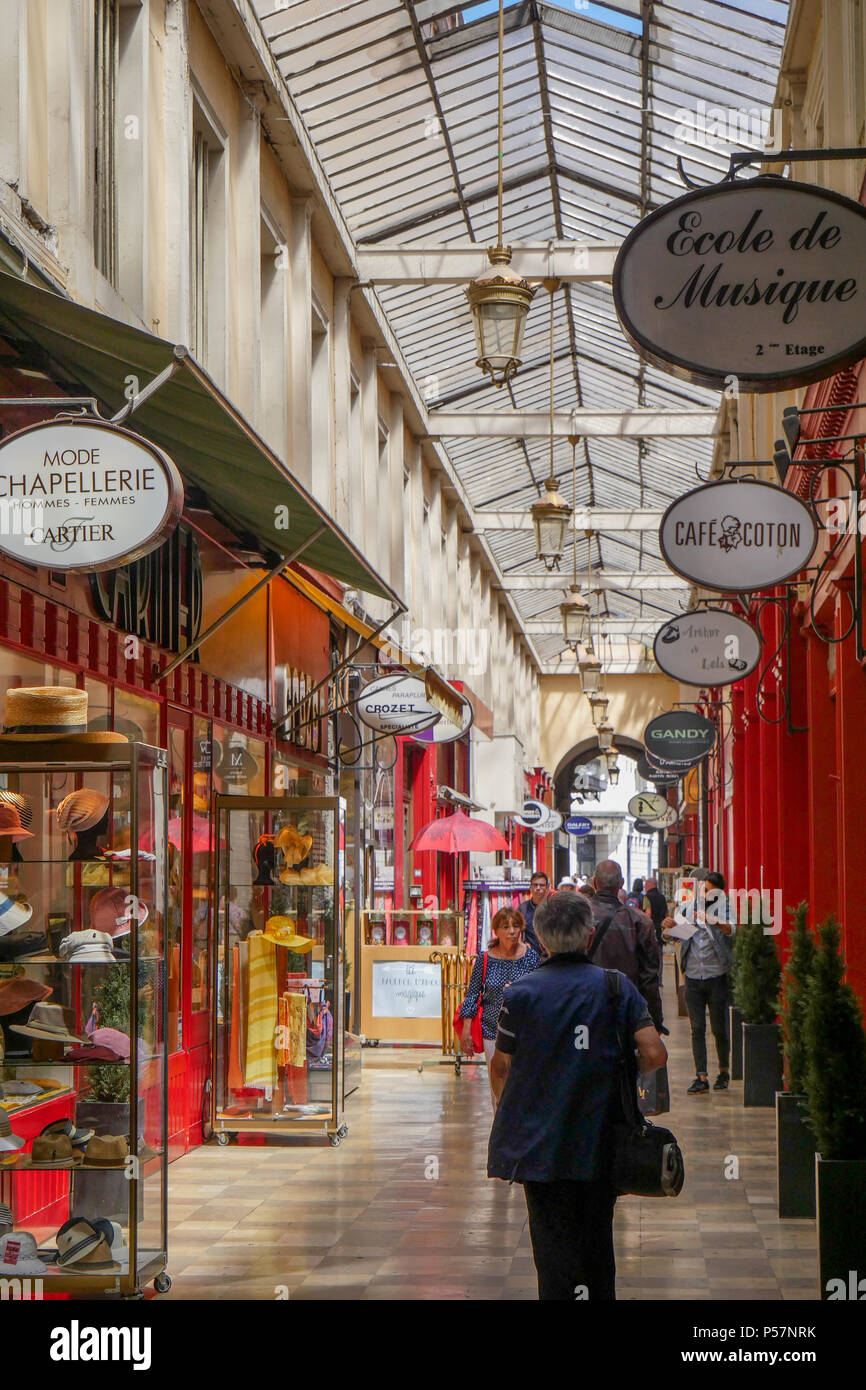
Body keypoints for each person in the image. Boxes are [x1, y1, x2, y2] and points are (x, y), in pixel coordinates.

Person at [487, 890, 667, 1301]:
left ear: (541, 939)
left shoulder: (521, 994)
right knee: (597, 1242)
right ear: (588, 936)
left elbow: (501, 1066)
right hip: (600, 1139)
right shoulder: (616, 988)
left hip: (539, 1144)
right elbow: (655, 1053)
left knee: (551, 1248)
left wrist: (509, 1107)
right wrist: (618, 1075)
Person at [663, 870, 735, 1093]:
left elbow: (732, 930)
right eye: (704, 891)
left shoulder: (725, 909)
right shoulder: (689, 909)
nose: (706, 896)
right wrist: (667, 929)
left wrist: (713, 920)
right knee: (697, 1028)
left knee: (719, 1028)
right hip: (693, 977)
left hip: (717, 977)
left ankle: (723, 1071)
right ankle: (701, 1076)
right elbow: (673, 935)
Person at [458, 908, 539, 1105]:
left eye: (516, 926)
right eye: (506, 927)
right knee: (498, 1085)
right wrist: (466, 1030)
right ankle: (499, 1129)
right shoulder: (485, 959)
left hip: (523, 1031)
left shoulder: (531, 957)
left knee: (520, 1086)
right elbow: (473, 994)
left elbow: (539, 993)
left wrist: (519, 992)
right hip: (491, 1030)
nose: (512, 931)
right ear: (496, 930)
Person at [589, 860, 664, 1032]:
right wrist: (655, 1020)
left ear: (594, 882)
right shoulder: (640, 921)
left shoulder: (577, 917)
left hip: (587, 1007)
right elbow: (649, 977)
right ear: (621, 884)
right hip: (627, 1008)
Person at [643, 875, 669, 985]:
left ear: (649, 885)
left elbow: (648, 914)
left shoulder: (647, 897)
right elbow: (666, 914)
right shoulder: (662, 897)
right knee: (660, 954)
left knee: (649, 954)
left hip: (651, 930)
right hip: (660, 930)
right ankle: (660, 978)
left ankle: (651, 977)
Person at [518, 871, 549, 957]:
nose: (538, 888)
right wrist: (522, 945)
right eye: (535, 885)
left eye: (542, 885)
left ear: (547, 888)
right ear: (530, 887)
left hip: (551, 958)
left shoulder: (554, 908)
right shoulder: (523, 908)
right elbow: (516, 932)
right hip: (530, 957)